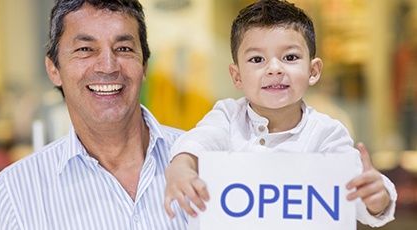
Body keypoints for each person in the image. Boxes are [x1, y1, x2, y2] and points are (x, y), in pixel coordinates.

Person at [164, 0, 397, 228]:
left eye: (290, 57)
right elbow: (199, 140)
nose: (274, 68)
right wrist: (182, 165)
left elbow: (356, 197)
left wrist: (378, 197)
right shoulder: (226, 116)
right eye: (257, 59)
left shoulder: (327, 134)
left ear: (313, 71)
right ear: (237, 76)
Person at [0, 0, 187, 229]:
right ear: (54, 70)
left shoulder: (206, 160)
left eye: (124, 49)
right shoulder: (15, 195)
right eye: (85, 49)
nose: (108, 66)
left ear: (144, 65)